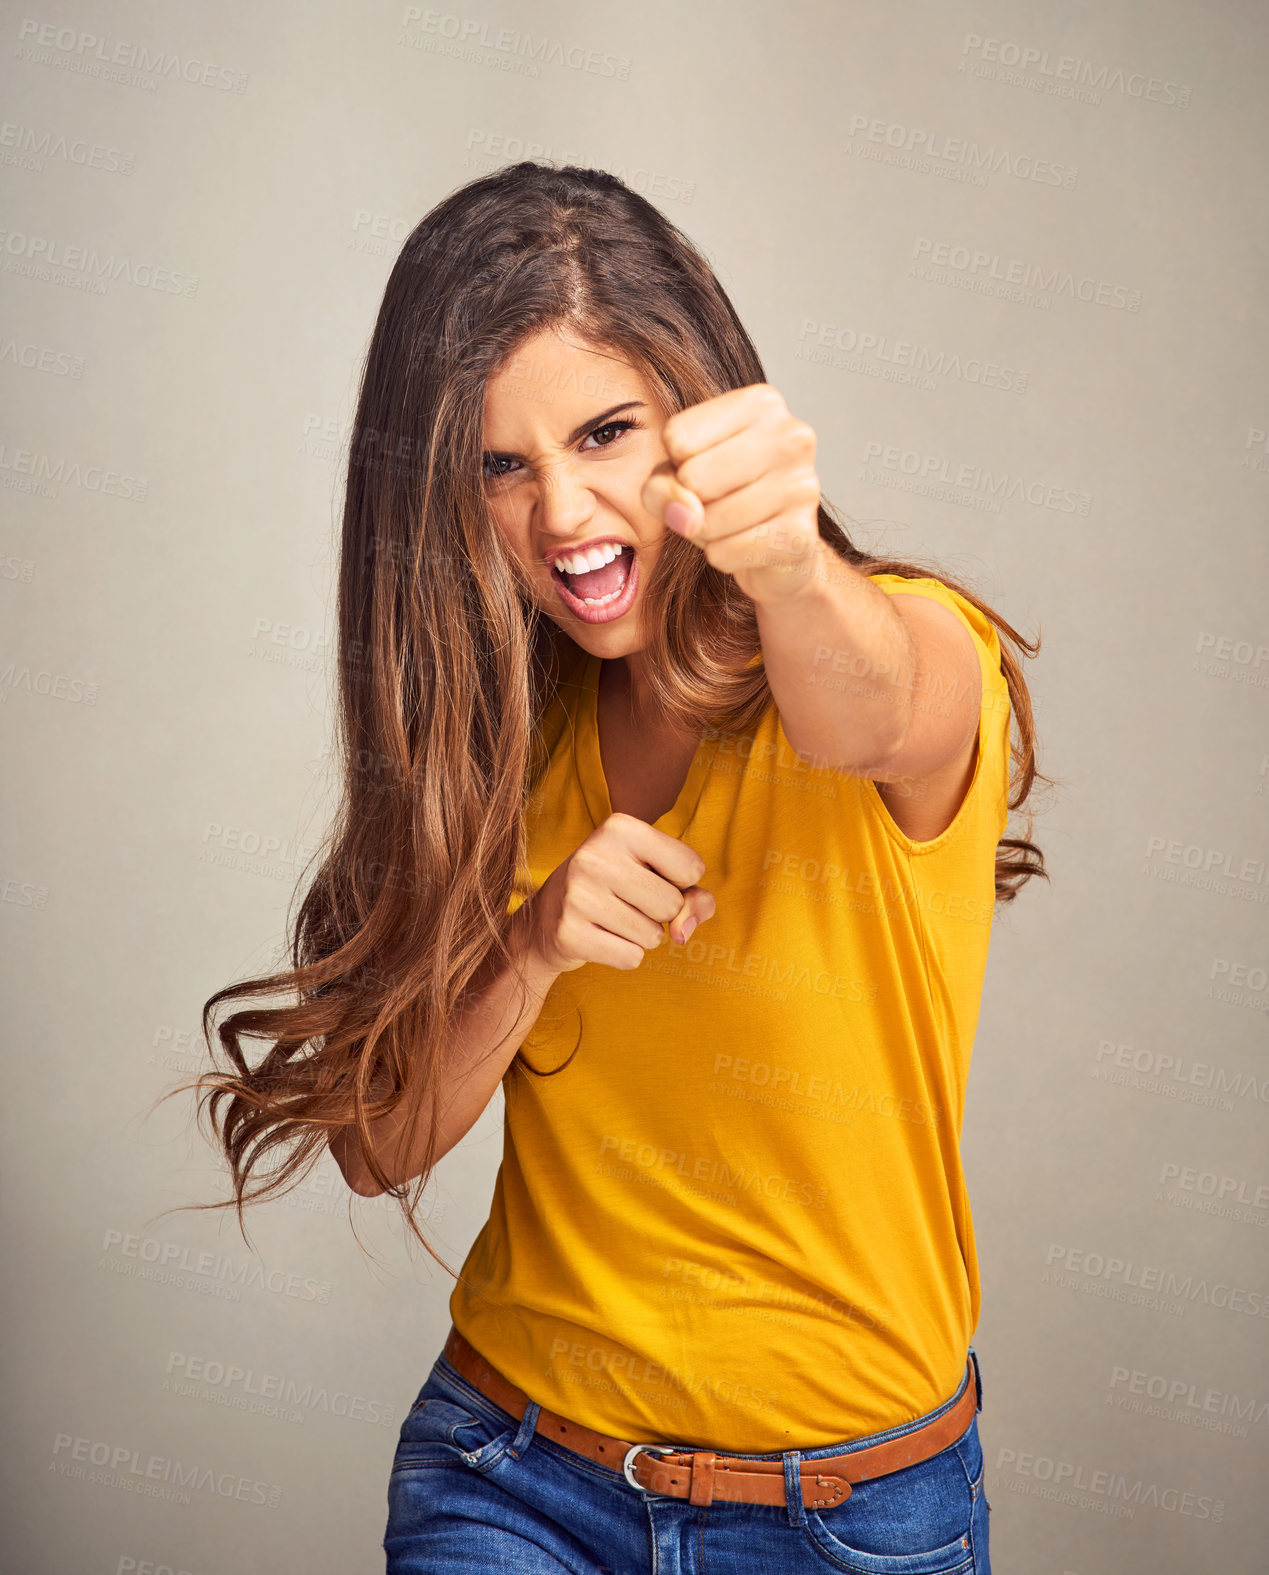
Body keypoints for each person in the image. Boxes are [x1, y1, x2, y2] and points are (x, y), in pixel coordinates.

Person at [190, 162, 1048, 1573]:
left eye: (604, 435)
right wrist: (529, 946)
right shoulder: (498, 741)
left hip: (851, 1523)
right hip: (515, 1475)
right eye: (500, 467)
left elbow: (869, 708)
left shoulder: (909, 639)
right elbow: (379, 1147)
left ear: (696, 423)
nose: (564, 516)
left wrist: (782, 569)